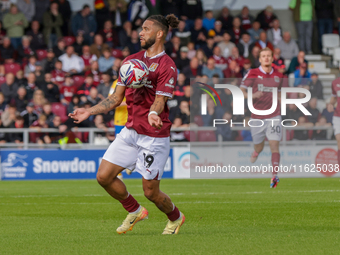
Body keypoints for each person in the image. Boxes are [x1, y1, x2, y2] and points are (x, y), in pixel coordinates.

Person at [69, 14, 185, 235]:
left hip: (154, 135)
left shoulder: (167, 66)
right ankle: (135, 210)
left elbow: (160, 100)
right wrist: (89, 111)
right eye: (140, 29)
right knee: (103, 176)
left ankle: (176, 217)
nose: (140, 32)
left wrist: (153, 112)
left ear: (159, 33)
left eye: (145, 29)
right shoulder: (130, 62)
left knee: (151, 192)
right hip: (131, 131)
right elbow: (115, 98)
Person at [240, 47, 285, 188]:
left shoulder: (279, 75)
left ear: (272, 58)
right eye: (263, 56)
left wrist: (282, 98)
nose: (266, 58)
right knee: (259, 146)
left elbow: (281, 92)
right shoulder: (253, 73)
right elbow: (241, 91)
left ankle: (274, 176)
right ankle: (256, 151)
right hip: (257, 116)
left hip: (274, 115)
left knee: (274, 145)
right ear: (259, 59)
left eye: (268, 56)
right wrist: (252, 96)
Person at [329, 74, 340, 166]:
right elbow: (333, 98)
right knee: (339, 140)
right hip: (338, 116)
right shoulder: (335, 83)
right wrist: (330, 104)